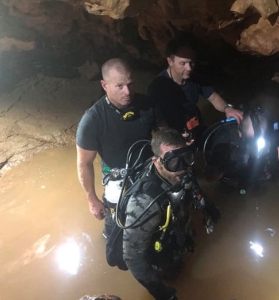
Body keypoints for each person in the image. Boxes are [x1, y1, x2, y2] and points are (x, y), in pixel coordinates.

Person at [121, 128, 220, 300]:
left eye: (186, 158)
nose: (181, 168)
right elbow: (133, 257)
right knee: (174, 273)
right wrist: (161, 293)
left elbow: (192, 185)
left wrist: (208, 207)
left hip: (177, 228)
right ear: (157, 162)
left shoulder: (181, 170)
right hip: (161, 253)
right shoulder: (144, 204)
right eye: (173, 162)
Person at [76, 58, 165, 238]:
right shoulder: (92, 120)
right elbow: (84, 163)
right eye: (120, 86)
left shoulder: (147, 104)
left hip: (149, 172)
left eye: (131, 84)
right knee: (115, 240)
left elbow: (164, 136)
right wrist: (92, 199)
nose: (128, 92)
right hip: (118, 179)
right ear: (104, 85)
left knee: (161, 223)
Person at [147, 34, 243, 147]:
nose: (189, 68)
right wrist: (173, 139)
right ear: (170, 61)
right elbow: (156, 122)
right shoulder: (158, 88)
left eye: (191, 62)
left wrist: (227, 108)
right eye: (183, 63)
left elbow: (213, 97)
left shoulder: (195, 77)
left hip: (195, 127)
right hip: (172, 136)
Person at [203, 106, 279, 193]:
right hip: (236, 171)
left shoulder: (272, 130)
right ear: (239, 133)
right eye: (251, 140)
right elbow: (210, 177)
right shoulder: (224, 146)